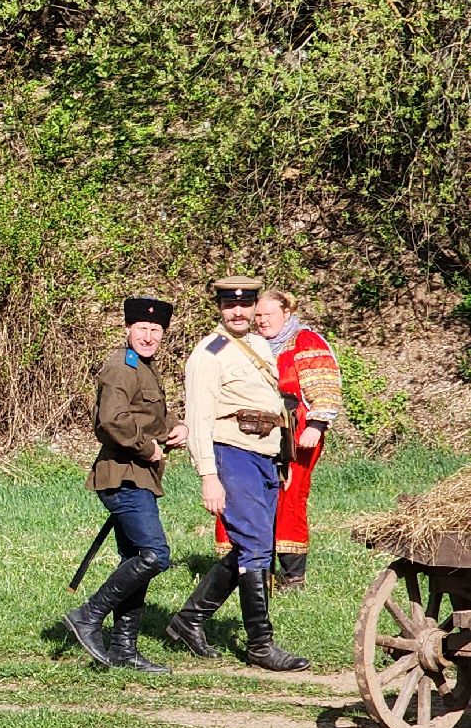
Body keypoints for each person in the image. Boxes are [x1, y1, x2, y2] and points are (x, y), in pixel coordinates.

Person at [165, 276, 308, 671]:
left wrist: (280, 458)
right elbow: (198, 416)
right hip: (232, 453)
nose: (239, 312)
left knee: (253, 542)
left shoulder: (259, 344)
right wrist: (208, 475)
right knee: (258, 548)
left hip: (264, 454)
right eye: (231, 305)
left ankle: (189, 620)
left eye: (245, 305)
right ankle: (261, 645)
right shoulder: (208, 354)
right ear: (220, 308)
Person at [63, 297, 188, 672]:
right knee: (155, 556)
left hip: (138, 477)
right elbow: (113, 420)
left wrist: (174, 428)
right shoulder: (121, 367)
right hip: (123, 478)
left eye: (156, 330)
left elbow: (146, 416)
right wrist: (147, 446)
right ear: (127, 330)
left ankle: (123, 648)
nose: (148, 336)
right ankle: (88, 615)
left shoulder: (145, 369)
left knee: (134, 560)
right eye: (142, 329)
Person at [252, 289, 343, 588]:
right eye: (259, 315)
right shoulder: (252, 345)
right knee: (258, 496)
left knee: (291, 497)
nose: (263, 321)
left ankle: (292, 575)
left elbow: (326, 387)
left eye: (269, 315)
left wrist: (315, 425)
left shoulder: (305, 341)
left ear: (286, 313)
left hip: (298, 432)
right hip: (261, 430)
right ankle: (258, 571)